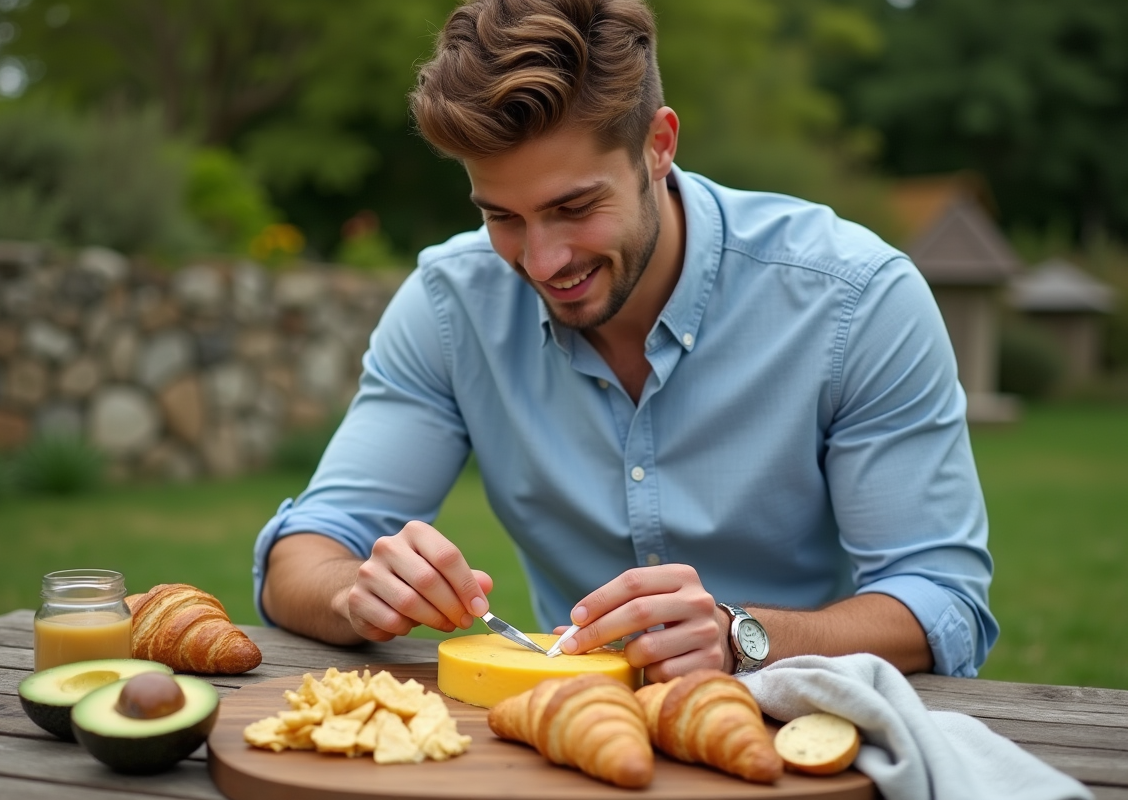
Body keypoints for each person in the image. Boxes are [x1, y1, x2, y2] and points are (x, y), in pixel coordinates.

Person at [253, 0, 998, 682]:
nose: (542, 262)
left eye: (574, 206)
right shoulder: (452, 305)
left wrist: (740, 636)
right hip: (564, 742)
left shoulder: (856, 299)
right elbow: (302, 555)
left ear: (658, 146)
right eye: (503, 217)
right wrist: (356, 593)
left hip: (802, 739)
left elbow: (941, 602)